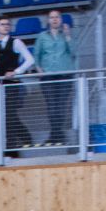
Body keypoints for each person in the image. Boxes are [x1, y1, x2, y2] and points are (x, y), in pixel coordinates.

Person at [0, 16, 34, 156]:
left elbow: (30, 60)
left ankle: (12, 148)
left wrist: (16, 72)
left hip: (13, 84)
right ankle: (25, 138)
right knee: (7, 116)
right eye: (2, 24)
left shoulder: (16, 42)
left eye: (7, 24)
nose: (5, 26)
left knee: (9, 115)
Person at [34, 11, 76, 146]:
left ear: (61, 19)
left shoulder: (66, 36)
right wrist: (39, 69)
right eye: (52, 17)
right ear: (48, 20)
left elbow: (73, 53)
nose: (54, 19)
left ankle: (56, 136)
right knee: (51, 106)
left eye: (57, 17)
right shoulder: (42, 36)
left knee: (61, 106)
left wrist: (68, 36)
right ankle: (57, 135)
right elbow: (36, 55)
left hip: (65, 75)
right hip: (48, 76)